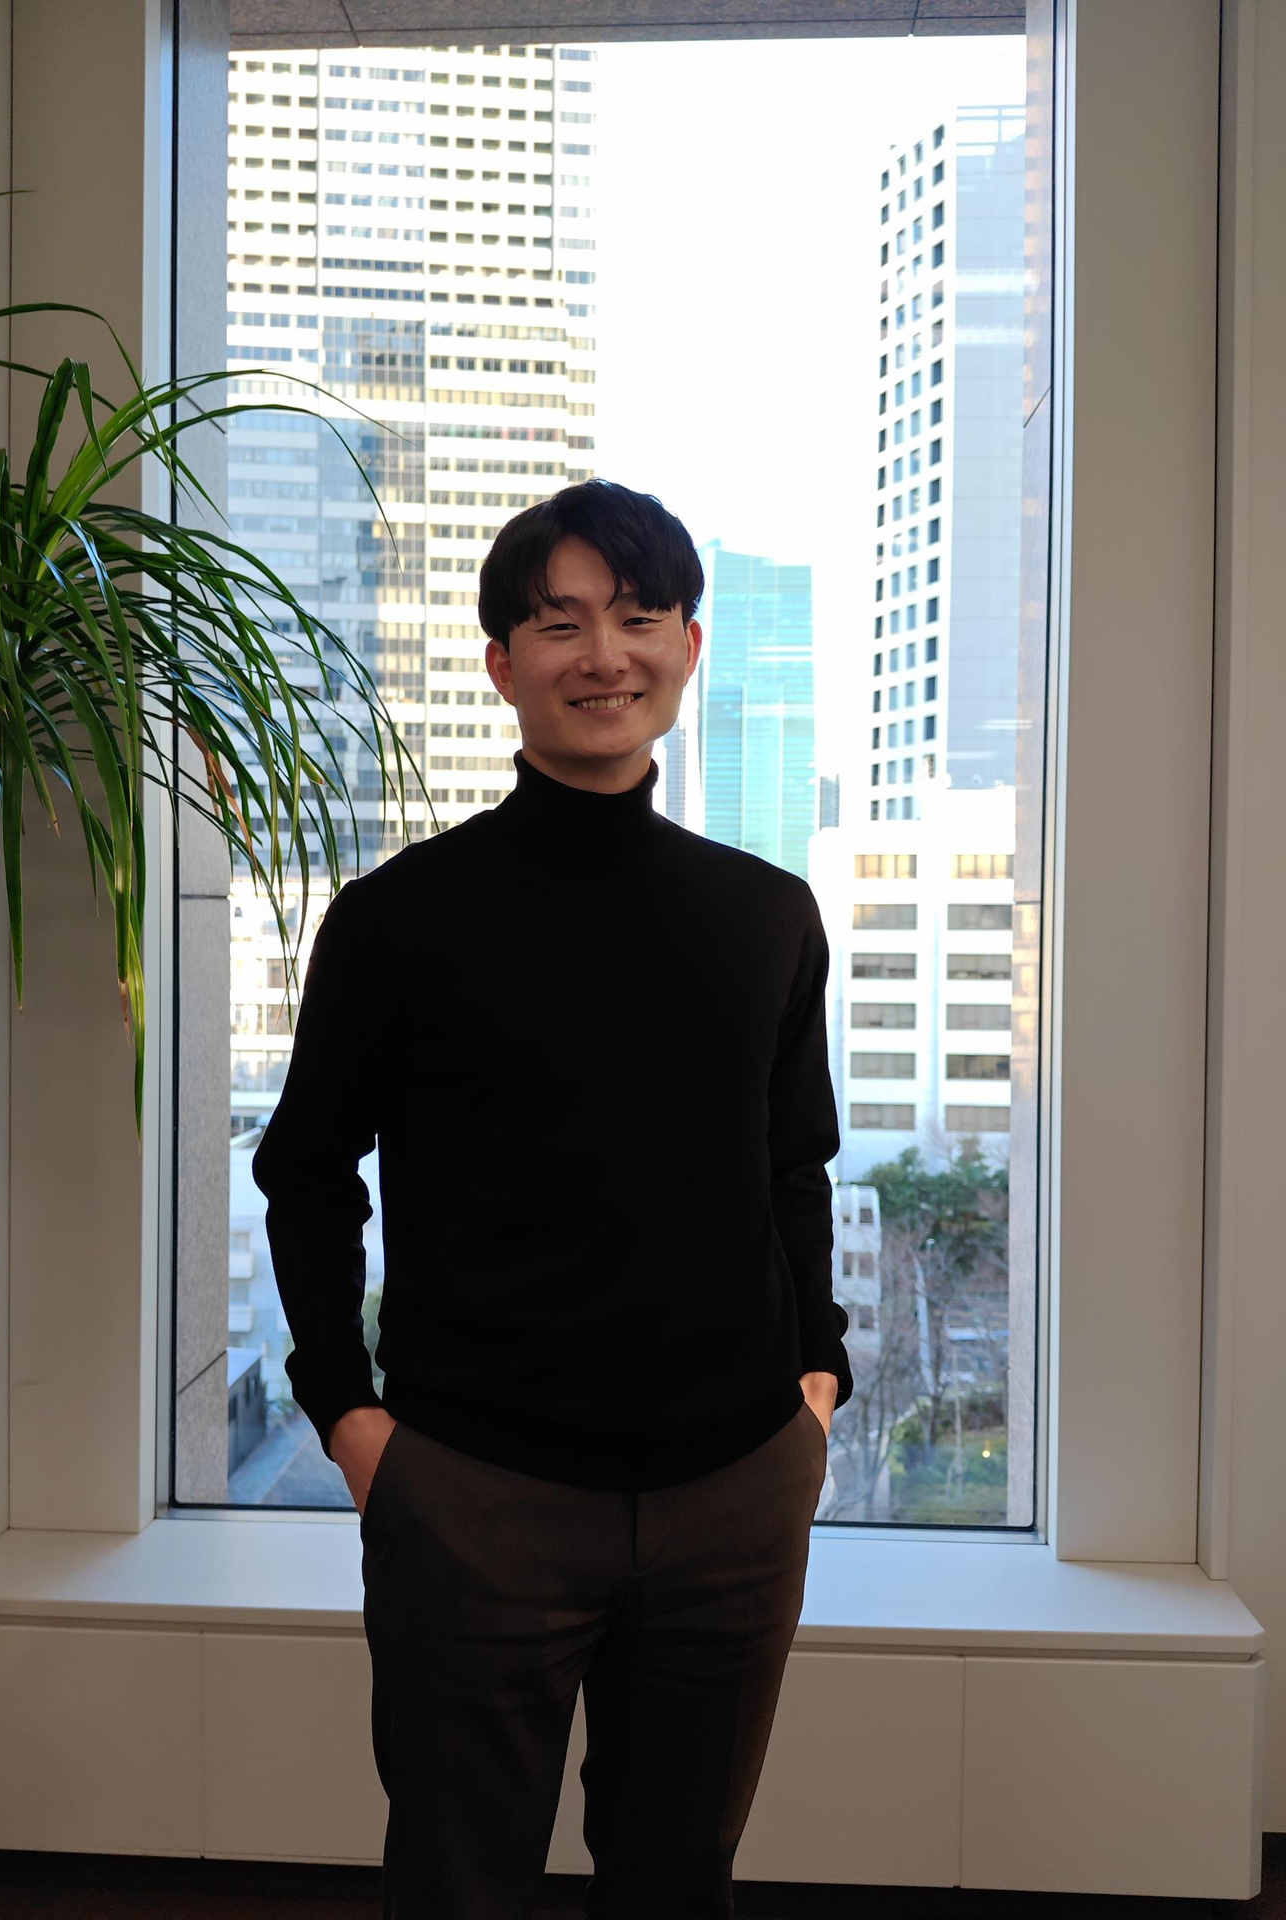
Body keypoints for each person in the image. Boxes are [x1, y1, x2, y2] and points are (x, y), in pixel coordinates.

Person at [251, 477, 852, 1920]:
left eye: (639, 617)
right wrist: (350, 1417)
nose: (604, 656)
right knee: (459, 1883)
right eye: (562, 622)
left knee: (679, 1881)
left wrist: (818, 1380)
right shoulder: (398, 921)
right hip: (478, 1494)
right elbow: (307, 1172)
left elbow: (795, 1167)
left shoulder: (767, 915)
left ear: (689, 648)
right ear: (501, 663)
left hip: (735, 1491)